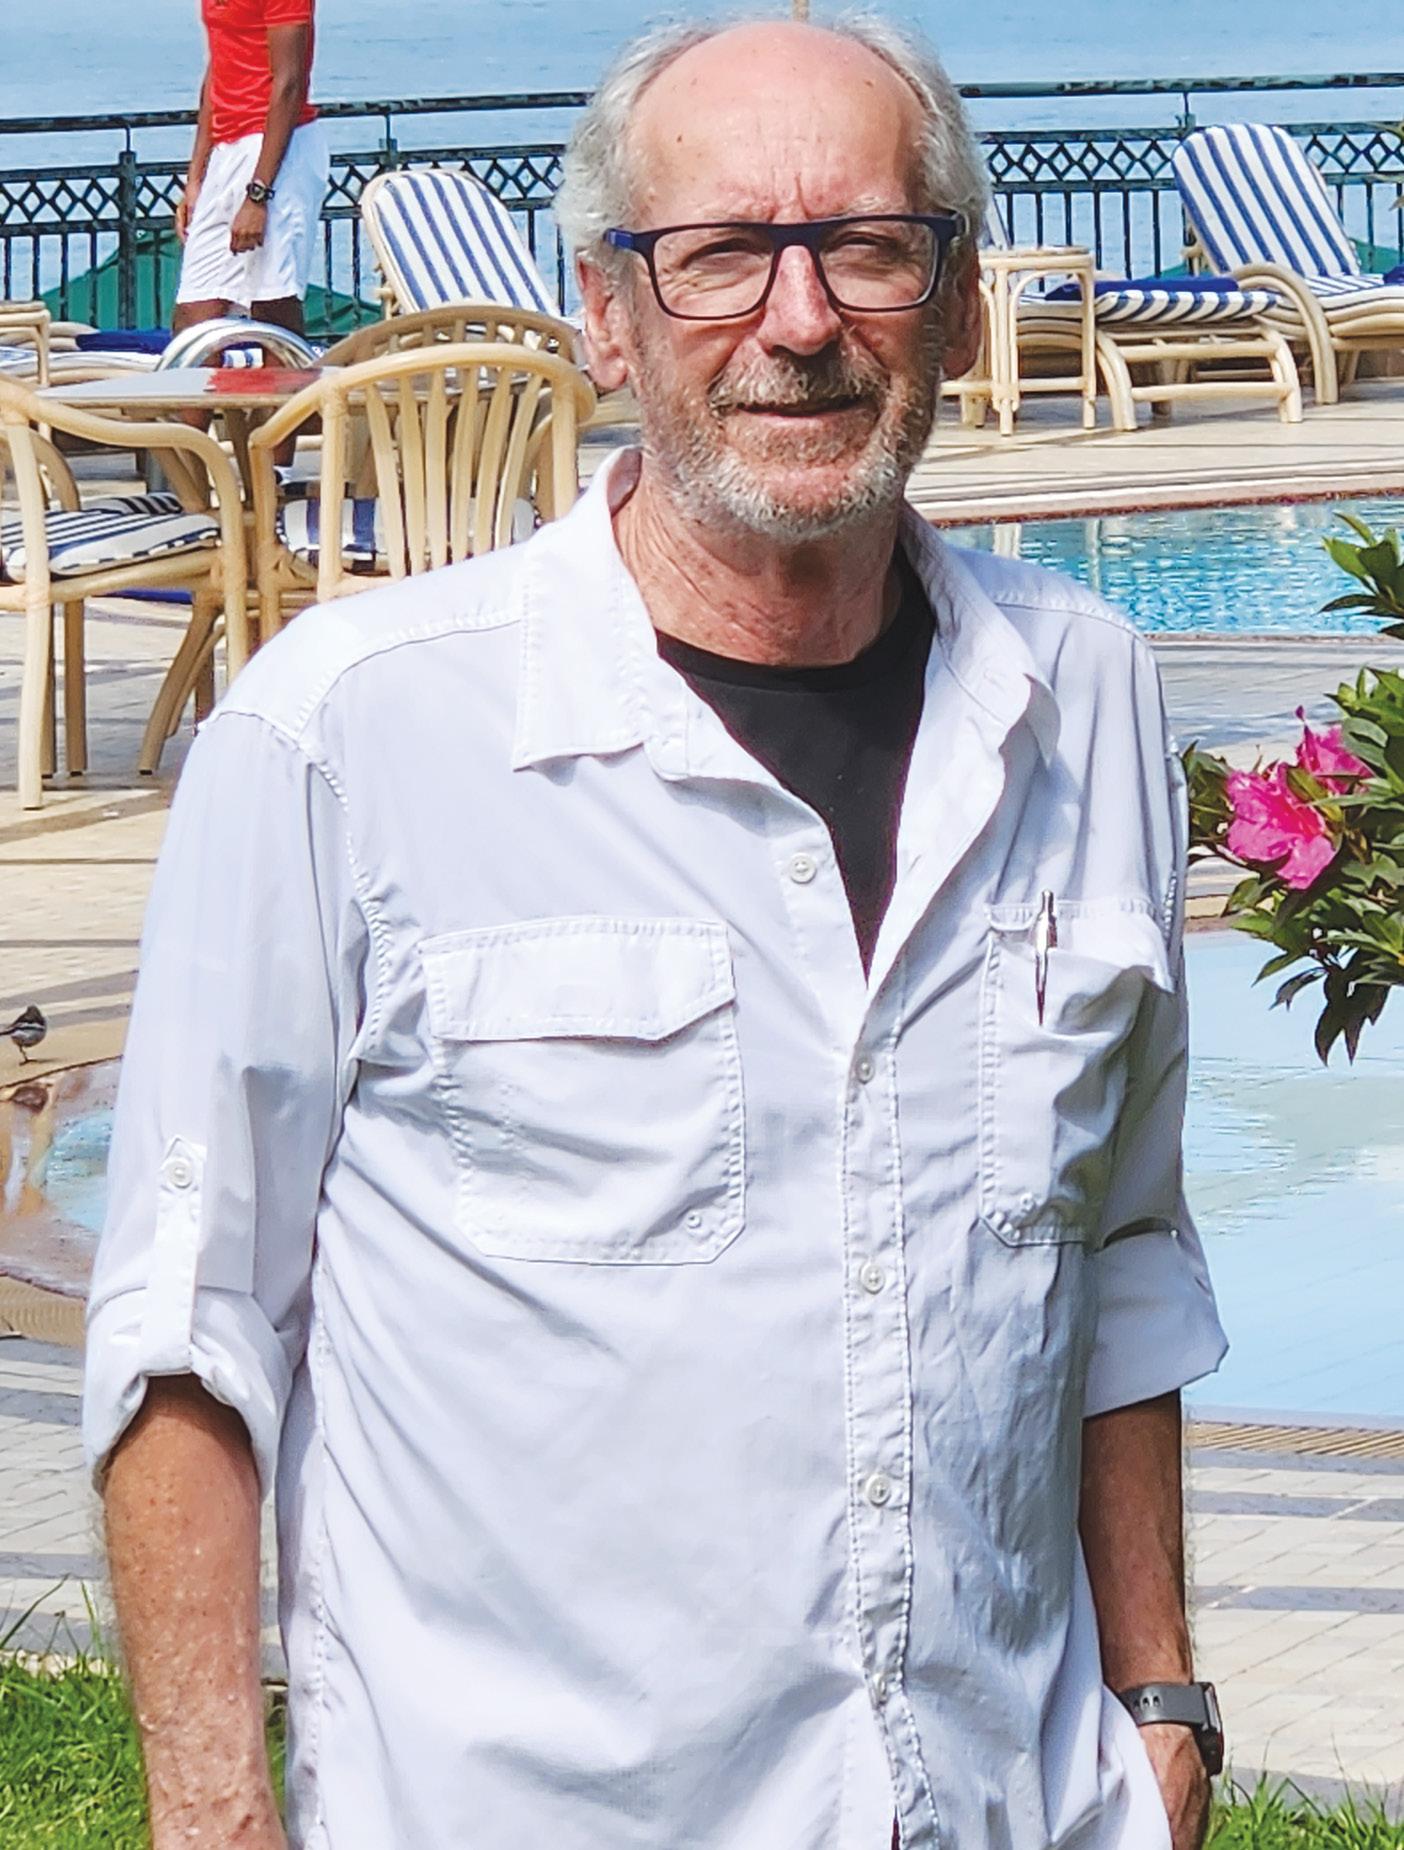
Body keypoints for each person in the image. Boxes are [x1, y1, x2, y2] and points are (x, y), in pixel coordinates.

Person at [85, 18, 1229, 1850]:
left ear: (953, 305)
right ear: (606, 315)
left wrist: (1157, 1701)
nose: (798, 319)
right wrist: (215, 1814)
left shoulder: (1083, 694)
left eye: (866, 246)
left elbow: (1123, 1245)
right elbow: (185, 1316)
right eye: (718, 255)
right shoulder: (351, 735)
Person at [172, 0, 329, 342]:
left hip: (278, 150)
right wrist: (196, 177)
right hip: (228, 149)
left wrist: (258, 195)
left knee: (272, 306)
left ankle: (289, 379)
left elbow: (290, 83)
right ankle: (199, 382)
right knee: (194, 316)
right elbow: (218, 70)